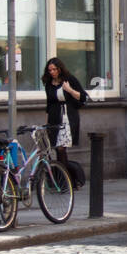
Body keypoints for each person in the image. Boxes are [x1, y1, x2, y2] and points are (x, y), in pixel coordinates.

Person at [42, 57, 88, 186]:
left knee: (61, 148)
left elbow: (84, 97)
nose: (52, 72)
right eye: (50, 70)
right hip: (54, 118)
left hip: (68, 117)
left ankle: (64, 181)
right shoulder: (49, 84)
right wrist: (46, 124)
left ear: (60, 69)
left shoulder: (69, 80)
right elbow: (49, 104)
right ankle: (70, 179)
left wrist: (69, 90)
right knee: (57, 149)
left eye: (54, 69)